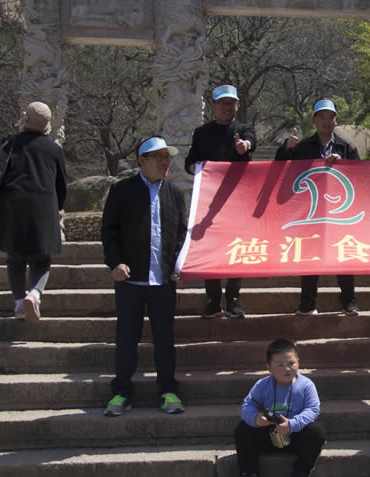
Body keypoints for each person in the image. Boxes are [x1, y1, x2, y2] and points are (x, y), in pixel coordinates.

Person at [101, 136, 188, 417]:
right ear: (142, 160)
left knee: (165, 339)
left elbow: (182, 233)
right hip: (130, 281)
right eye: (158, 157)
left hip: (163, 282)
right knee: (127, 339)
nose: (165, 162)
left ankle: (168, 391)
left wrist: (177, 264)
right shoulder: (122, 190)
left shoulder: (175, 194)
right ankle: (121, 392)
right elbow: (109, 231)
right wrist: (115, 263)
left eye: (167, 157)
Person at [0, 102, 67, 323]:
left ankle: (20, 302)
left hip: (12, 209)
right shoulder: (54, 149)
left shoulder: (11, 142)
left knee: (15, 259)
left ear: (25, 118)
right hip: (43, 209)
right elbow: (61, 186)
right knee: (42, 260)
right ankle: (35, 294)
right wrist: (55, 208)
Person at [275, 99, 360, 315]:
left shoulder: (346, 147)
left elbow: (360, 176)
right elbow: (279, 168)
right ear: (314, 120)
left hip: (340, 213)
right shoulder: (303, 147)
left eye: (330, 117)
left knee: (343, 256)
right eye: (321, 117)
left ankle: (349, 301)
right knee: (310, 256)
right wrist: (287, 148)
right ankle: (308, 303)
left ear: (336, 120)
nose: (326, 121)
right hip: (310, 212)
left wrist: (344, 164)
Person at [185, 84, 256, 319]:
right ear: (213, 106)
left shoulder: (244, 129)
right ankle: (213, 300)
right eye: (222, 103)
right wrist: (197, 168)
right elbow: (190, 162)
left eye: (231, 103)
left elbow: (251, 142)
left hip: (237, 202)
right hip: (209, 203)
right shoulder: (202, 133)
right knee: (211, 249)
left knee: (237, 247)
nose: (226, 107)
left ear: (237, 105)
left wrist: (244, 146)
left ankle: (233, 299)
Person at [235, 338, 325, 477]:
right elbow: (248, 406)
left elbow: (313, 409)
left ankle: (301, 471)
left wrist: (292, 424)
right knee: (243, 429)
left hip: (295, 435)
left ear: (298, 362)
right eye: (280, 365)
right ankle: (249, 471)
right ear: (269, 367)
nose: (287, 369)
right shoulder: (262, 385)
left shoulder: (306, 385)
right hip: (268, 435)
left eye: (291, 363)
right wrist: (256, 419)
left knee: (316, 431)